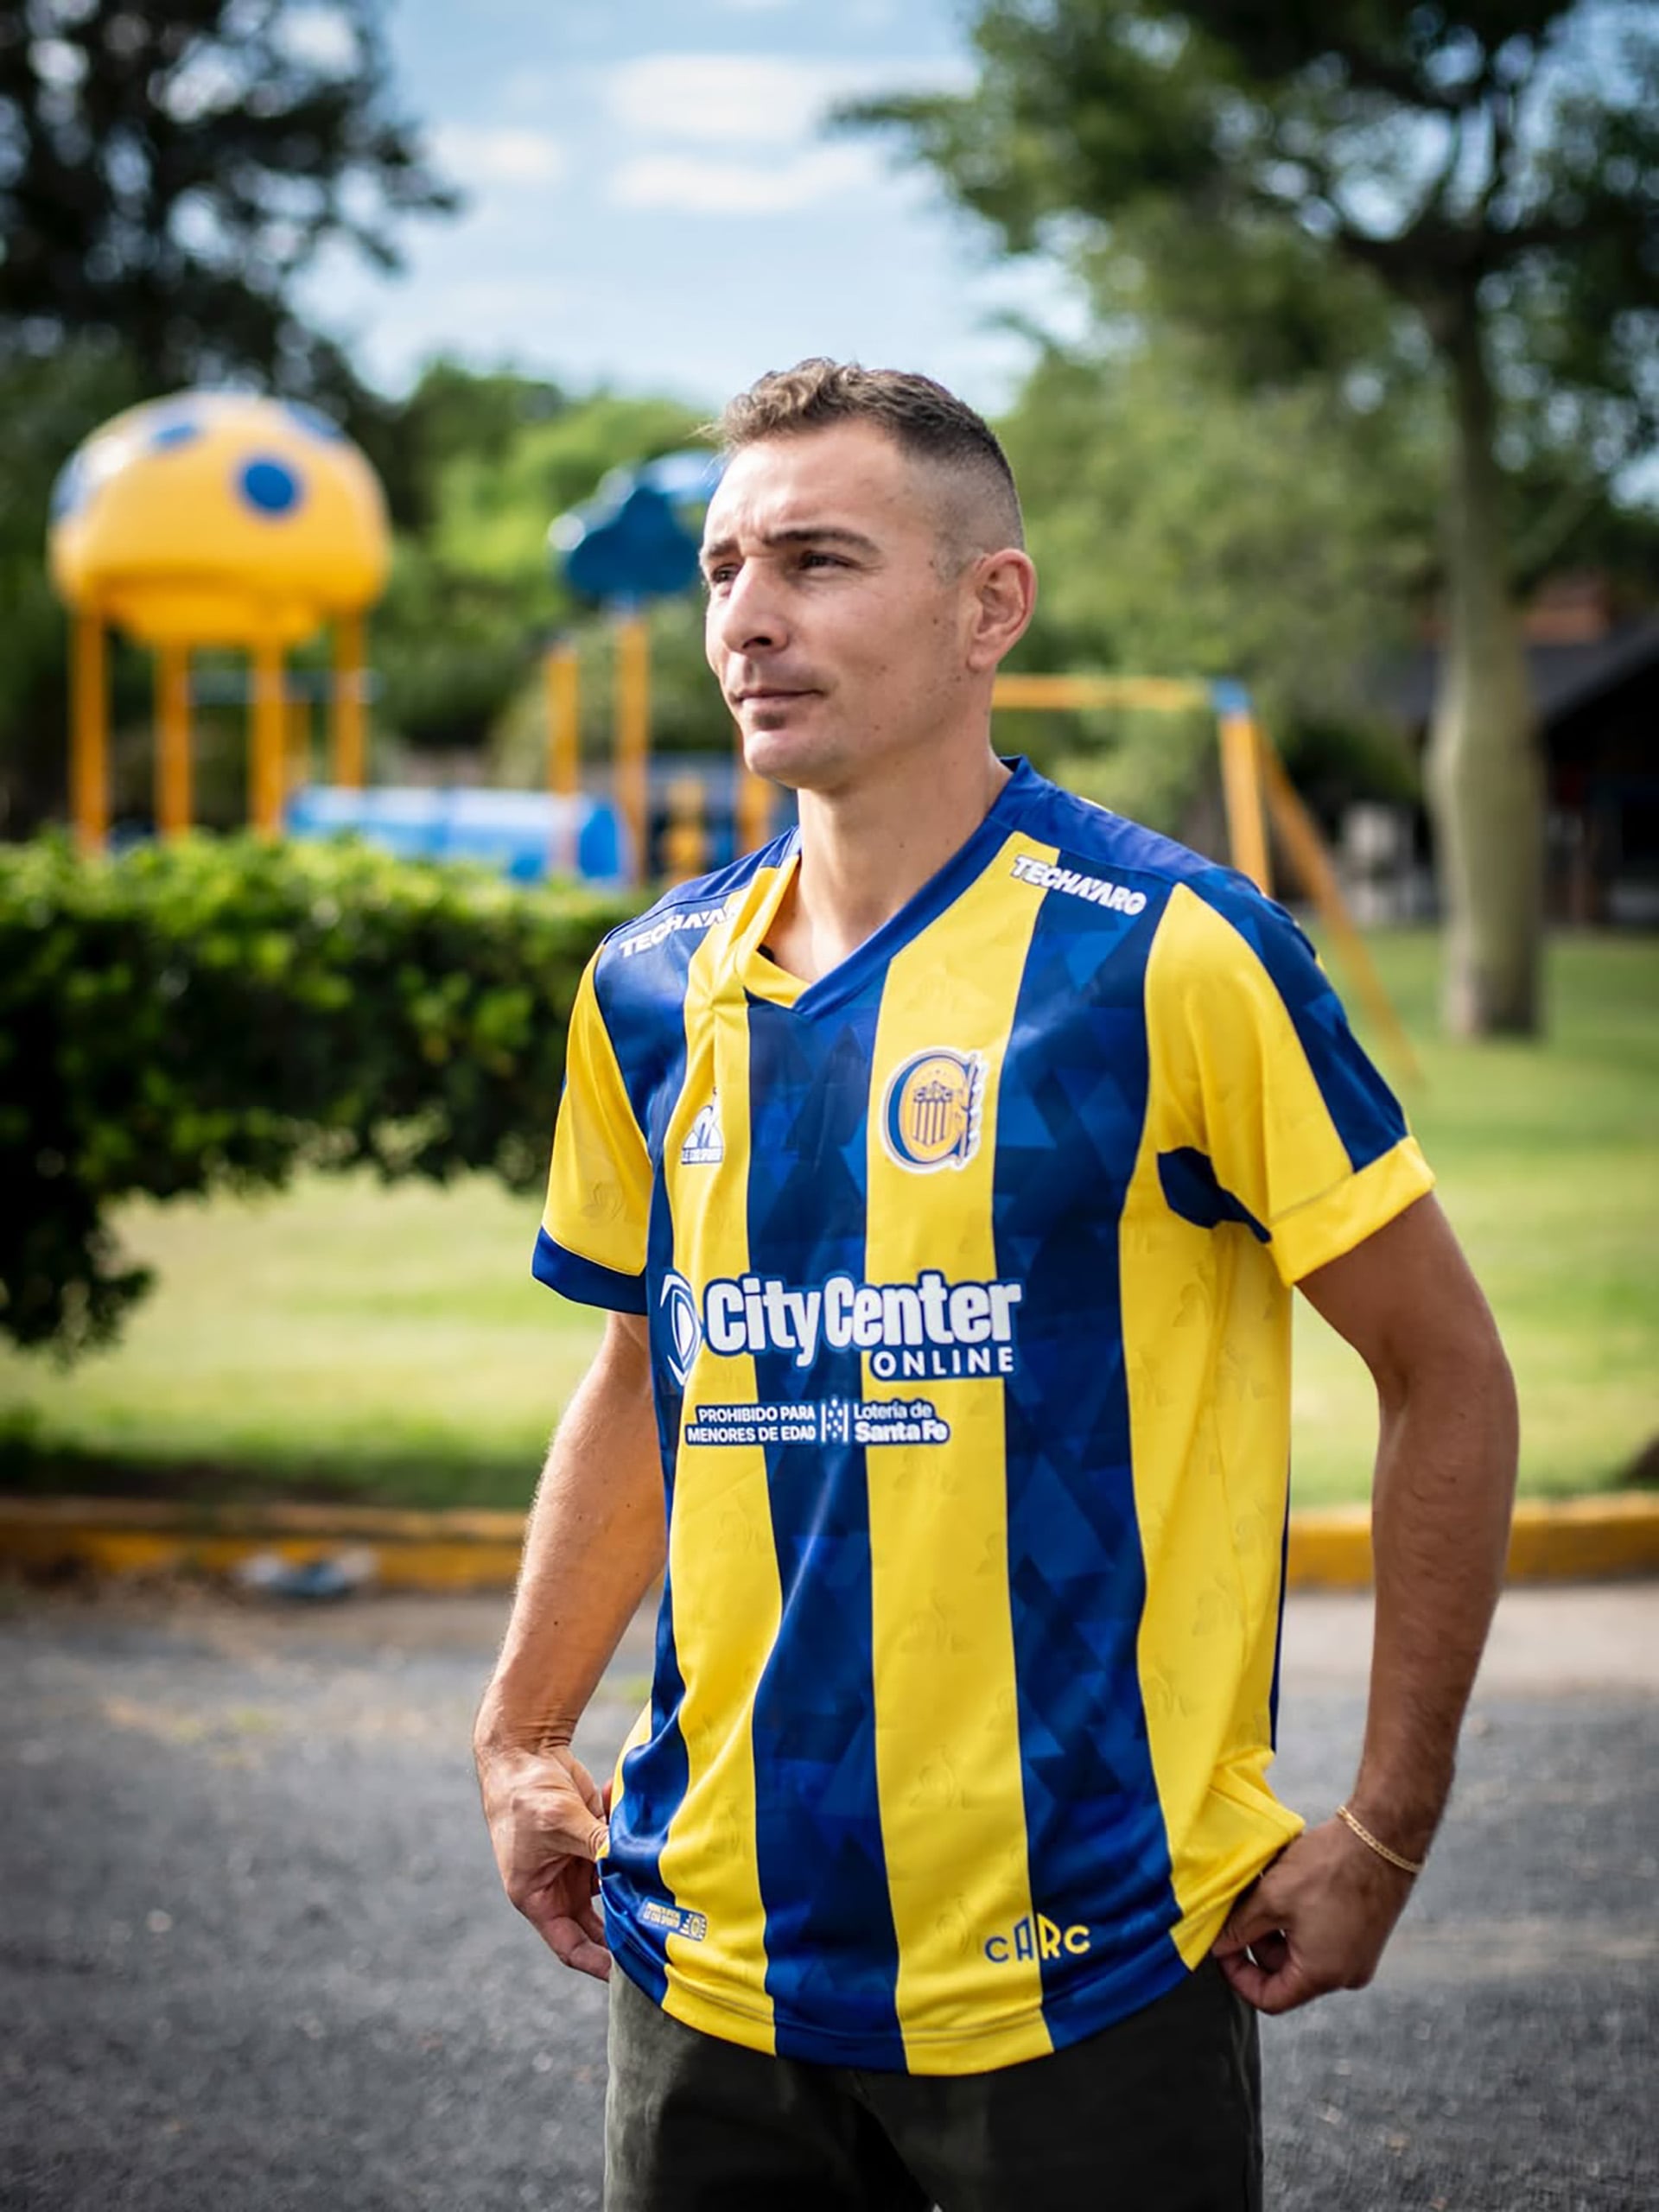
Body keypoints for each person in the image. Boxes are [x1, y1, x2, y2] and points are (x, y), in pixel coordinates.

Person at [474, 359, 1518, 2211]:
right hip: (705, 1951)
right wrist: (522, 1735)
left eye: (817, 560)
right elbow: (647, 1374)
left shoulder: (1171, 955)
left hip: (1093, 1959)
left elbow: (1447, 1373)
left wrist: (1386, 1825)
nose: (747, 619)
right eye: (723, 568)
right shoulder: (648, 983)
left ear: (990, 607)